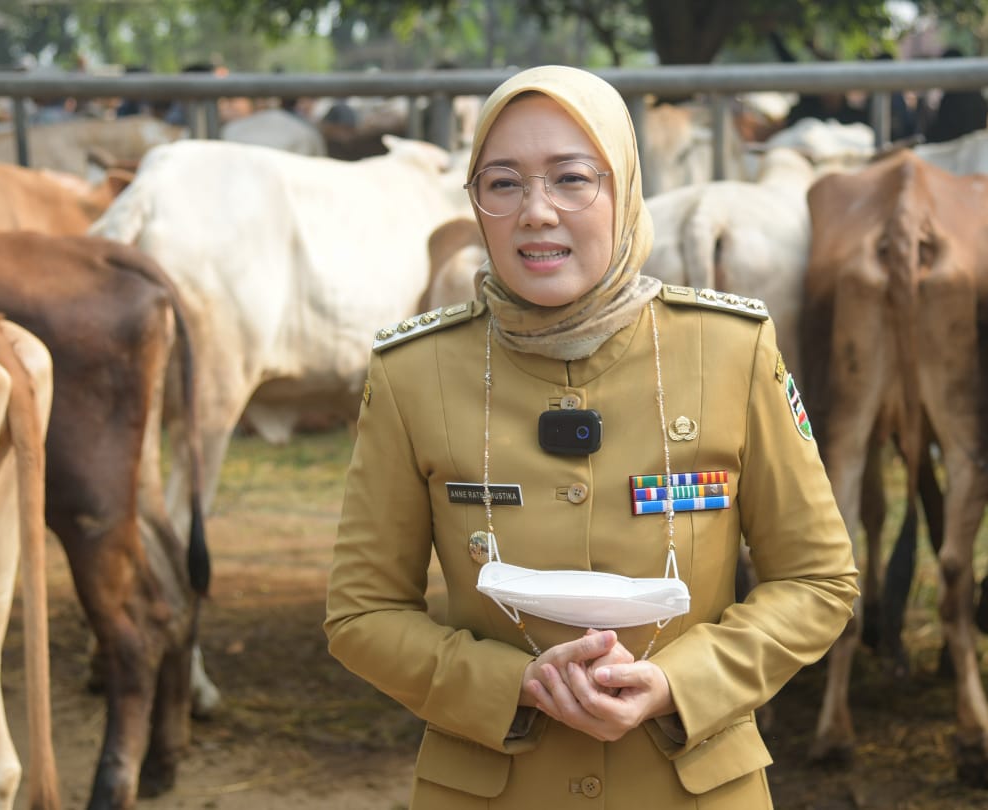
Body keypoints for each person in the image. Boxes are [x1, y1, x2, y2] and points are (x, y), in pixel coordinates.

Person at [324, 65, 859, 809]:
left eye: (572, 179)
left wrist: (681, 681)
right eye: (502, 183)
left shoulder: (729, 348)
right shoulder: (415, 371)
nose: (535, 212)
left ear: (625, 189)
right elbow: (361, 612)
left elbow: (816, 580)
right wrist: (512, 684)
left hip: (692, 786)